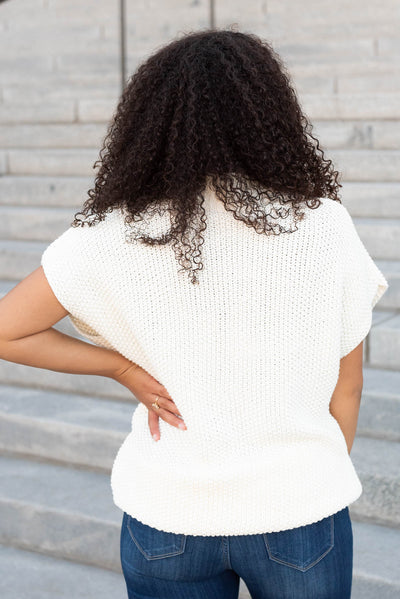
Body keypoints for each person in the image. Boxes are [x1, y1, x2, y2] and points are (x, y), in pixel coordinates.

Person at [0, 28, 389, 599]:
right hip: (300, 514)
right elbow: (347, 387)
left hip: (169, 514)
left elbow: (8, 330)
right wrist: (311, 479)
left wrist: (120, 368)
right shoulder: (322, 224)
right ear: (270, 113)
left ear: (146, 121)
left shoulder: (112, 235)